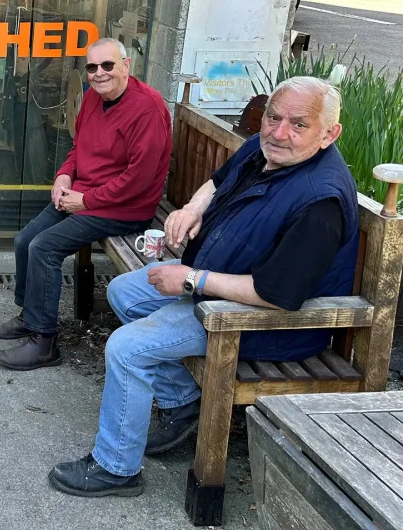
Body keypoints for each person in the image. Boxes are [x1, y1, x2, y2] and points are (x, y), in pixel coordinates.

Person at [47, 76, 358, 498]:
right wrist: (192, 209)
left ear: (329, 134)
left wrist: (192, 280)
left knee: (127, 348)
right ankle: (182, 401)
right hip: (217, 276)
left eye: (298, 124)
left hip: (263, 322)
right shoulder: (264, 148)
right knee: (123, 292)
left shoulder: (320, 201)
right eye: (273, 117)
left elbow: (276, 295)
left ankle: (116, 468)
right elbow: (216, 182)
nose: (279, 132)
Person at [0, 38, 173, 370]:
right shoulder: (91, 98)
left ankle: (44, 343)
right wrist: (63, 176)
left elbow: (139, 180)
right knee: (25, 240)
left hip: (125, 208)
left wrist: (86, 200)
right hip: (85, 195)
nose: (99, 73)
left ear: (126, 66)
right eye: (92, 67)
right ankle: (30, 316)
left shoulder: (148, 108)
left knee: (45, 248)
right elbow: (78, 149)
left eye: (107, 65)